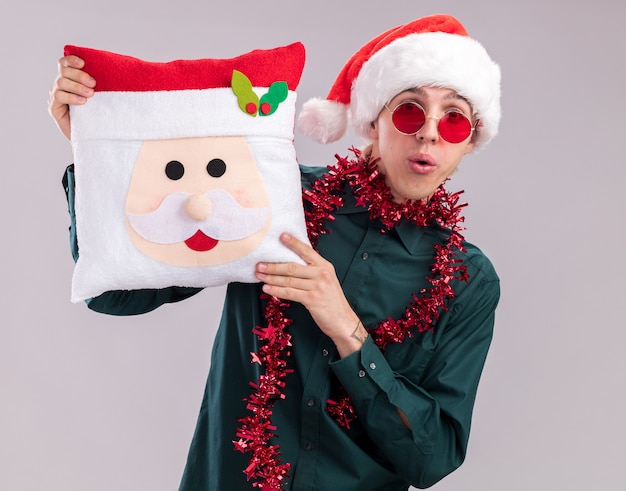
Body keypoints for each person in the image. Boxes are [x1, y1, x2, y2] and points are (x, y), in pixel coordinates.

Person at [48, 13, 501, 491]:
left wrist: (346, 329)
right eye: (410, 110)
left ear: (468, 142)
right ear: (374, 120)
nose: (429, 132)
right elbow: (115, 295)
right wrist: (96, 153)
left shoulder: (467, 280)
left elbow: (433, 458)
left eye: (453, 120)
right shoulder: (278, 197)